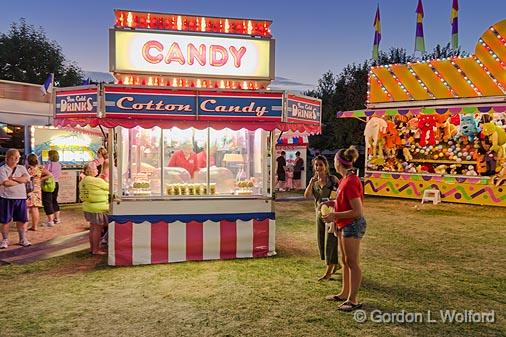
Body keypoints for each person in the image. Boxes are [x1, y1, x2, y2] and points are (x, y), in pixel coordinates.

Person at [321, 146, 366, 312]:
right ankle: (344, 294)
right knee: (345, 261)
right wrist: (331, 203)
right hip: (344, 224)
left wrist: (335, 215)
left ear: (338, 163)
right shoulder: (345, 180)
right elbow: (345, 202)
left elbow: (357, 211)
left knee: (352, 262)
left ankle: (353, 300)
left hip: (352, 224)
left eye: (334, 160)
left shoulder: (351, 181)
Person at [304, 155, 340, 280]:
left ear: (326, 166)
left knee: (330, 241)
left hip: (332, 214)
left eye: (320, 164)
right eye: (316, 165)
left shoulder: (333, 179)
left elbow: (340, 194)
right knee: (321, 241)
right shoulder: (314, 182)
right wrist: (310, 183)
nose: (318, 167)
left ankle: (328, 271)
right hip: (319, 214)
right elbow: (307, 195)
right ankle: (335, 264)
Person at [0, 149, 31, 248]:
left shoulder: (21, 168)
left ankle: (22, 239)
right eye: (14, 157)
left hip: (21, 197)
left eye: (18, 157)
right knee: (5, 221)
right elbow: (6, 183)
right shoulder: (2, 169)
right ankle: (5, 240)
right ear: (8, 158)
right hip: (6, 198)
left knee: (22, 220)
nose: (17, 159)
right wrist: (21, 180)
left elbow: (27, 179)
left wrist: (13, 179)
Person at [79, 161, 109, 255]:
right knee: (97, 229)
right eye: (96, 168)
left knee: (93, 229)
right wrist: (105, 179)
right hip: (98, 208)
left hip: (88, 207)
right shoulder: (96, 181)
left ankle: (93, 249)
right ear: (91, 170)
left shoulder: (83, 181)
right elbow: (109, 187)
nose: (97, 170)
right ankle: (96, 250)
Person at [26, 153, 52, 231]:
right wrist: (40, 179)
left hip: (28, 189)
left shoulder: (26, 169)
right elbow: (50, 174)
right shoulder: (40, 168)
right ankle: (35, 226)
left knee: (26, 208)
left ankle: (25, 227)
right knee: (35, 208)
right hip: (37, 189)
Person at [42, 150, 62, 227]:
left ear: (50, 156)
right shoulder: (59, 164)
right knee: (54, 200)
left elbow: (44, 172)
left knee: (47, 202)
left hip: (49, 184)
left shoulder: (49, 164)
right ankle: (57, 219)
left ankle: (50, 221)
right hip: (56, 184)